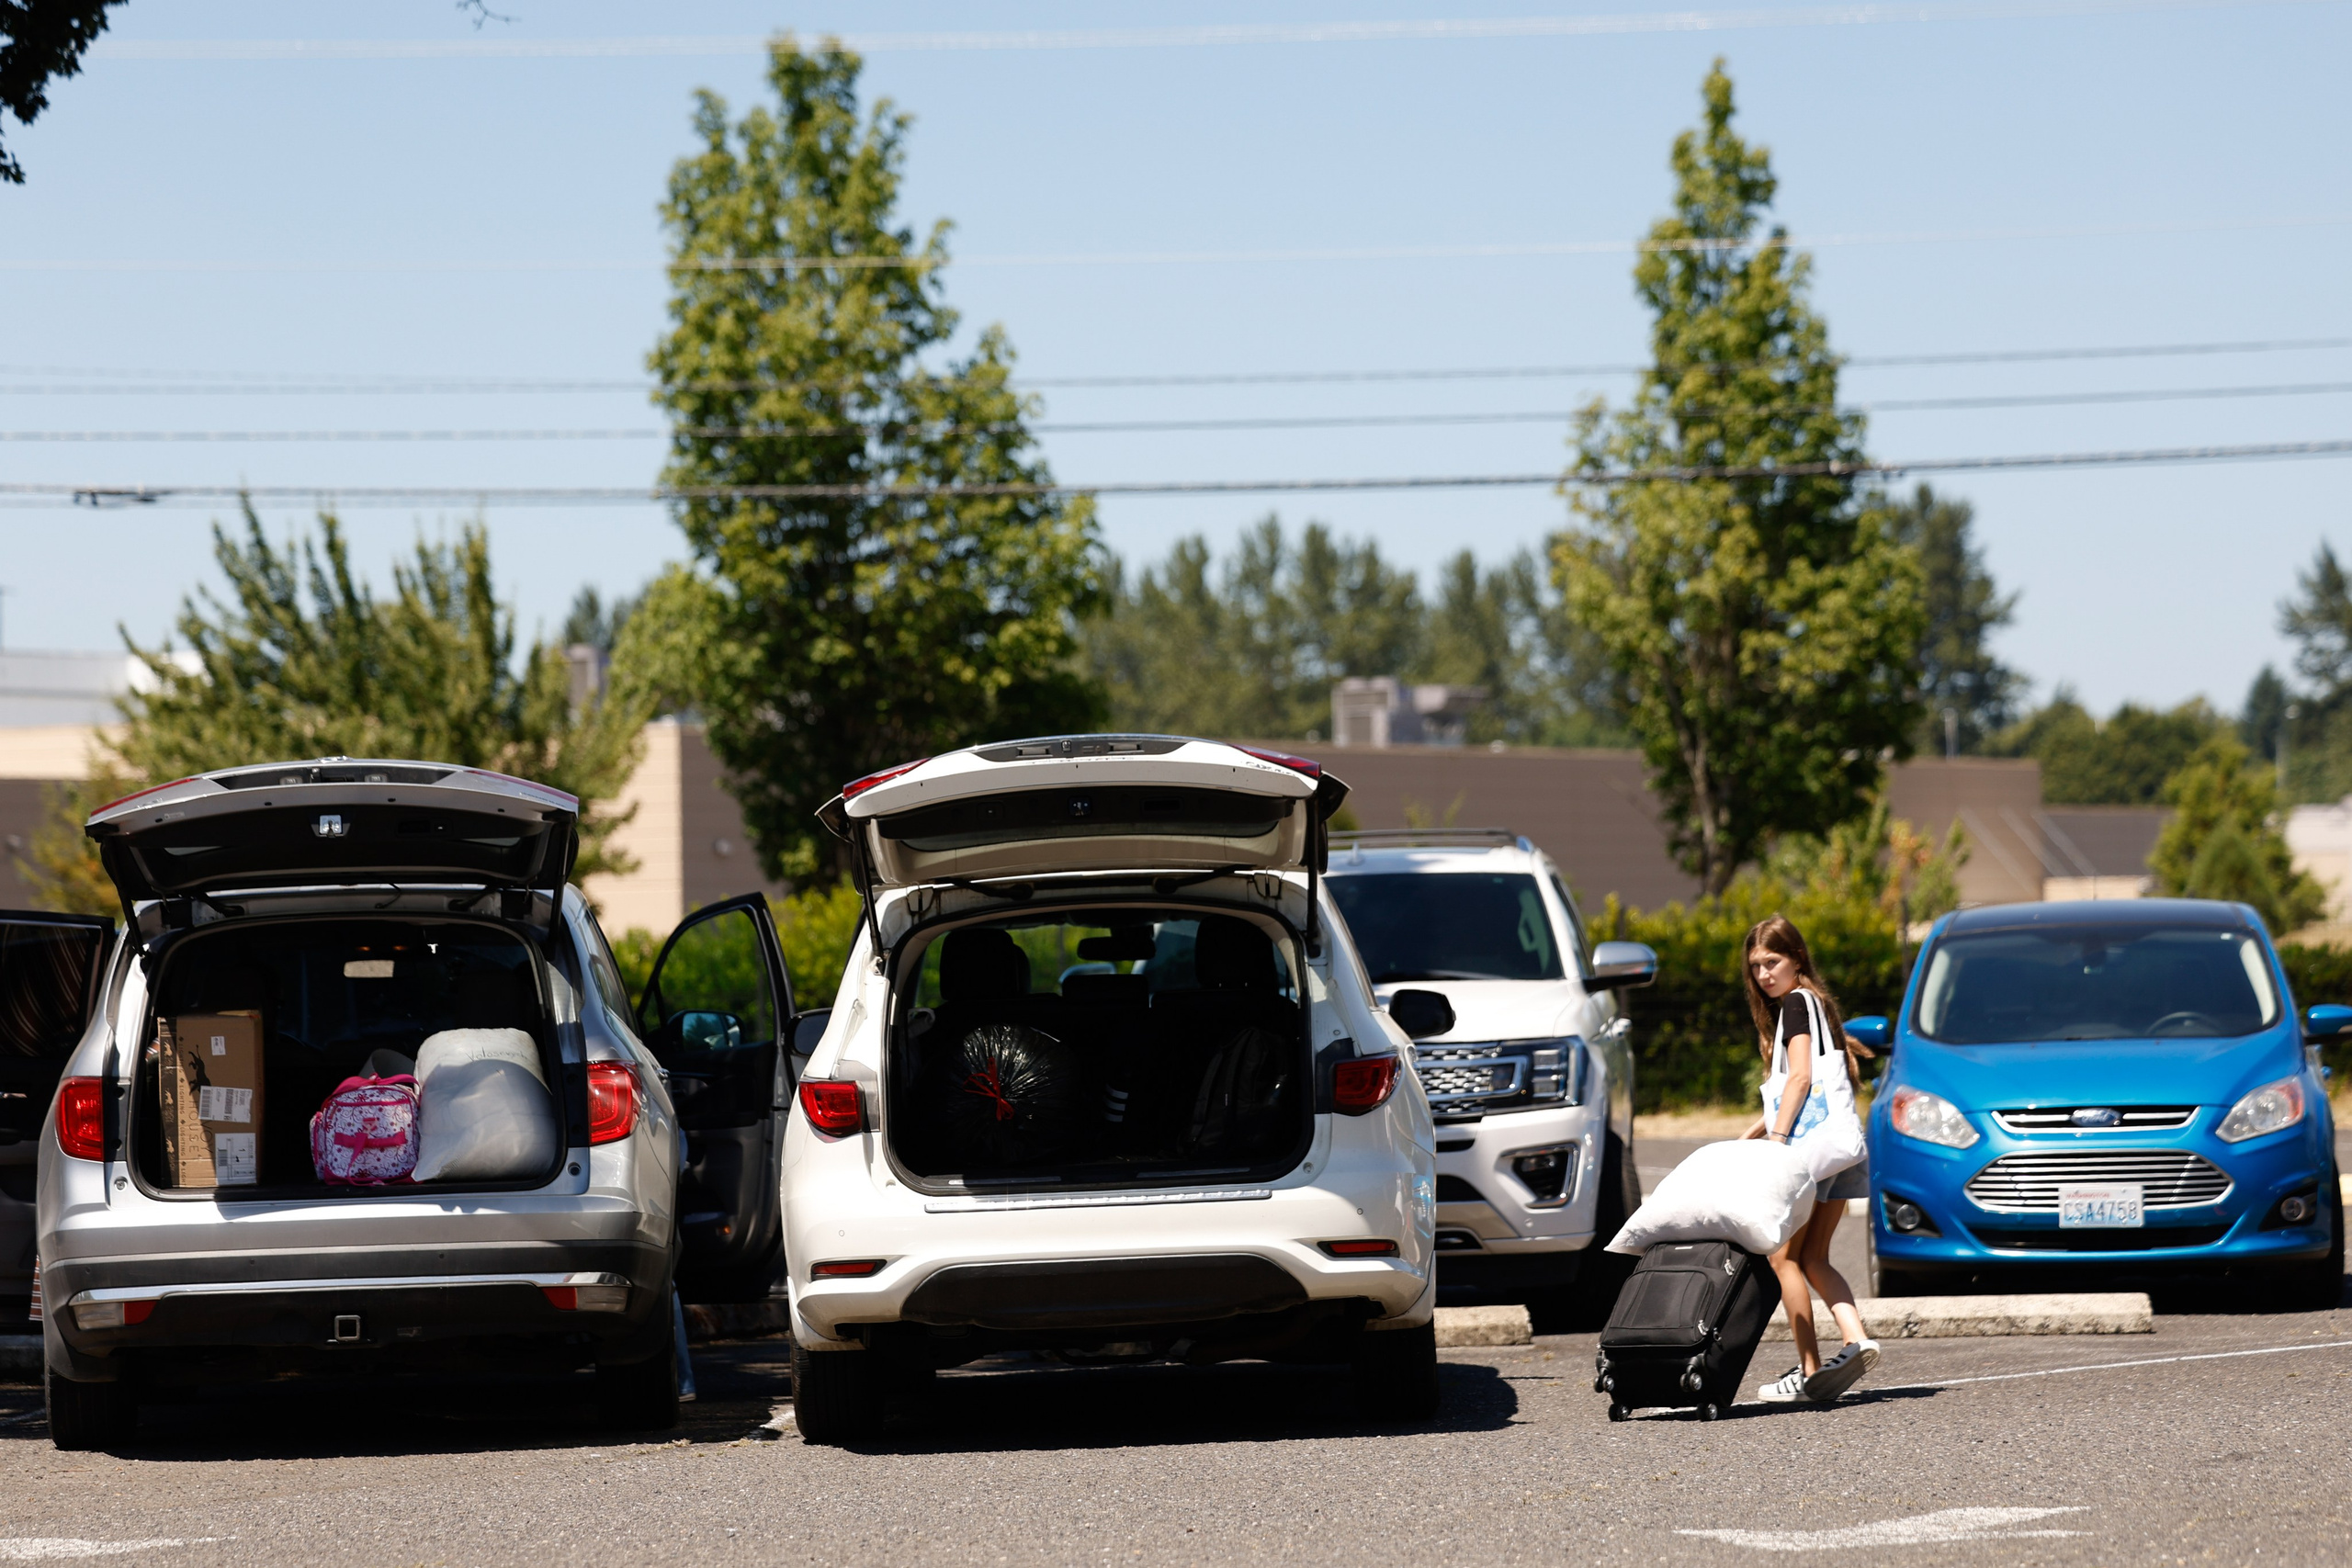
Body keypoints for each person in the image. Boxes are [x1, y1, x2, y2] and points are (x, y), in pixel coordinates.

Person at [1739, 913, 1880, 1404]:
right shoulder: (1817, 1003)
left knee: (1783, 1259)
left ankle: (1809, 1370)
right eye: (1756, 966)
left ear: (1797, 958)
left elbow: (1799, 1079)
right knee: (1814, 1257)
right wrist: (1749, 1135)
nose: (1763, 974)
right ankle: (1857, 1340)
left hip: (1809, 1156)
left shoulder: (1796, 1005)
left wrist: (1776, 1140)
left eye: (1772, 962)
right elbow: (1802, 1090)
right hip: (1838, 1149)